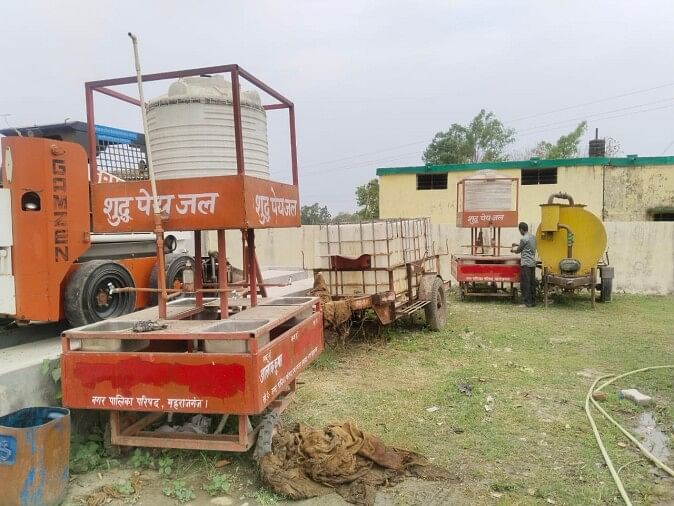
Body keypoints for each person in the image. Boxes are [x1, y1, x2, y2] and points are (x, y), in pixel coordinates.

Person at [512, 222, 536, 307]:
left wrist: (513, 250)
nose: (520, 232)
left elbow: (518, 250)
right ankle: (532, 302)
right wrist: (517, 244)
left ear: (521, 229)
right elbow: (527, 246)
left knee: (525, 284)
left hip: (525, 263)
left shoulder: (523, 239)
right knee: (532, 283)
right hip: (532, 263)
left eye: (520, 230)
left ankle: (526, 303)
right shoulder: (533, 237)